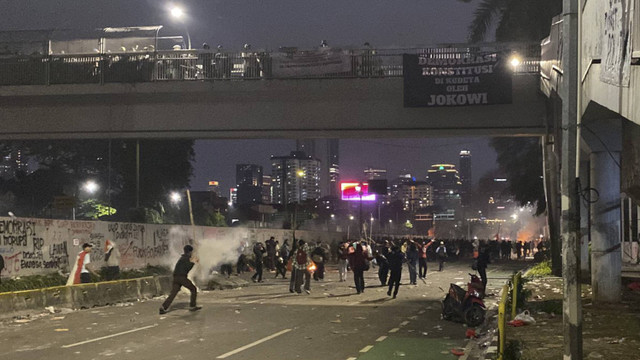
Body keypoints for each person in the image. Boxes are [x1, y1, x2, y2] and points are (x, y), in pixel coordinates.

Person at [159, 245, 201, 314]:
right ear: (190, 252)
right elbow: (187, 268)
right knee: (193, 289)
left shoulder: (182, 258)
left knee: (173, 293)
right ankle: (193, 306)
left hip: (176, 278)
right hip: (182, 277)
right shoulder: (186, 258)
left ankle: (163, 307)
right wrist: (193, 262)